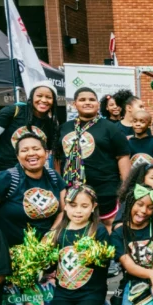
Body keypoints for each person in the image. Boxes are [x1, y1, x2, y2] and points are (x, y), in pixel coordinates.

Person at [44, 185, 114, 305]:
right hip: (64, 292)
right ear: (66, 206)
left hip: (90, 291)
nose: (78, 211)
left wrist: (94, 255)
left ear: (93, 207)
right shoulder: (58, 232)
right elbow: (51, 266)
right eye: (73, 205)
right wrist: (44, 260)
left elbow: (104, 265)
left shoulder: (99, 230)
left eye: (84, 206)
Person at [61, 87, 131, 229]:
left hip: (106, 190)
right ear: (74, 104)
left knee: (109, 226)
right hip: (73, 190)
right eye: (82, 100)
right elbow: (59, 157)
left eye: (92, 99)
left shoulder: (110, 128)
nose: (87, 102)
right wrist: (60, 186)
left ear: (98, 104)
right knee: (78, 226)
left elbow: (123, 157)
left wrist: (124, 190)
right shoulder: (65, 128)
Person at [0, 133, 65, 248]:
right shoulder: (5, 179)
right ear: (18, 156)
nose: (31, 153)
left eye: (36, 149)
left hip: (47, 250)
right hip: (10, 251)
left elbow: (63, 211)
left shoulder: (54, 177)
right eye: (24, 150)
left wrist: (51, 234)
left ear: (46, 153)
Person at [0, 82, 59, 186]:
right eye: (39, 96)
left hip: (25, 176)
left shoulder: (51, 124)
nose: (44, 100)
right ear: (31, 97)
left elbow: (46, 153)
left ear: (53, 101)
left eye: (48, 97)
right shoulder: (15, 111)